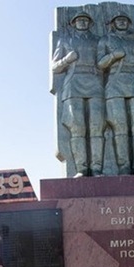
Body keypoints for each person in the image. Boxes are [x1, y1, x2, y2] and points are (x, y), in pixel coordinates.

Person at [51, 12, 105, 177]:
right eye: (79, 20)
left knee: (97, 127)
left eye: (85, 20)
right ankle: (81, 168)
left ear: (89, 23)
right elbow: (55, 67)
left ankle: (96, 168)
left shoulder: (98, 40)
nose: (82, 22)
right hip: (73, 85)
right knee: (77, 128)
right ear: (74, 23)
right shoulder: (65, 40)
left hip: (96, 84)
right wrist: (67, 60)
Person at [97, 13, 134, 175]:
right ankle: (123, 166)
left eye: (125, 20)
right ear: (113, 23)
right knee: (120, 126)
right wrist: (113, 56)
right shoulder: (106, 40)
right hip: (114, 84)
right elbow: (100, 64)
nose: (122, 22)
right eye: (118, 20)